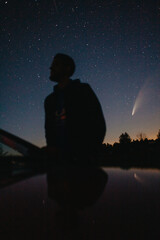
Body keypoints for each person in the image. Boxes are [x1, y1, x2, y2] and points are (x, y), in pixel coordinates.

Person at [44, 53, 106, 164]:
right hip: (57, 163)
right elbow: (49, 131)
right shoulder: (49, 101)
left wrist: (88, 153)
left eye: (56, 64)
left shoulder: (83, 90)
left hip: (83, 162)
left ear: (67, 68)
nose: (51, 67)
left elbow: (98, 124)